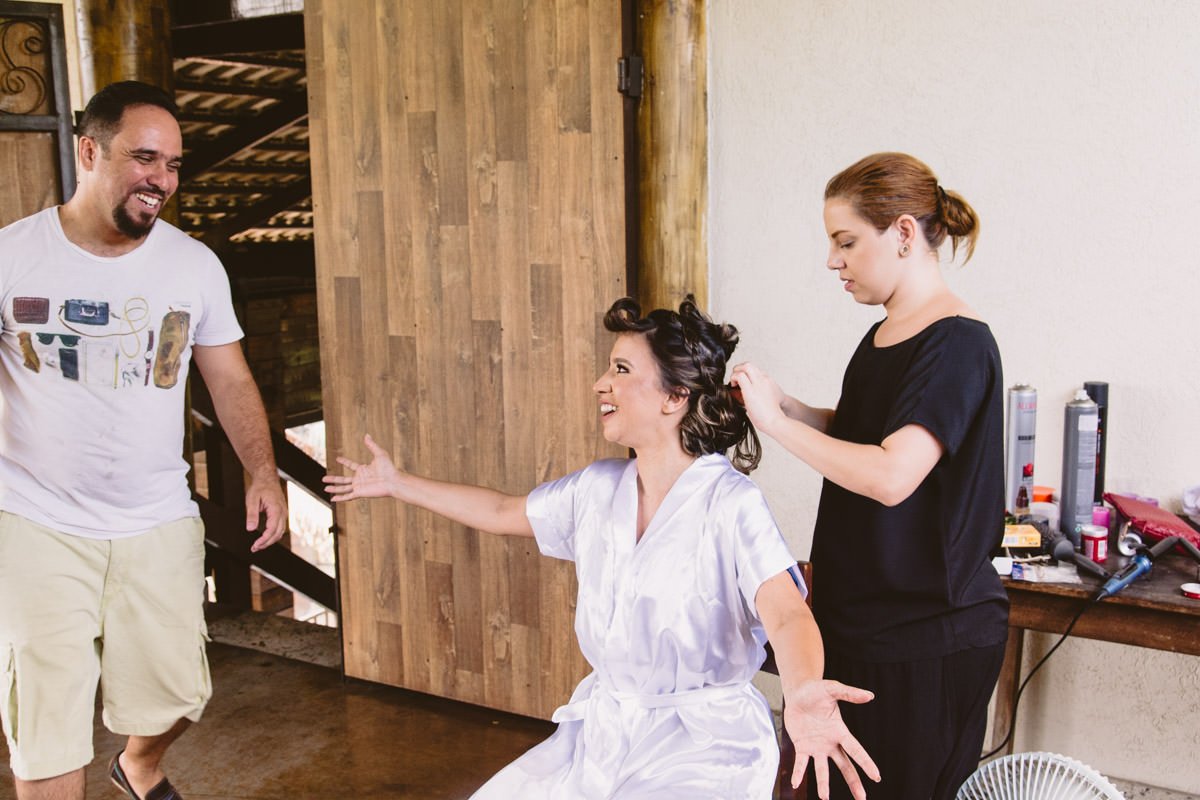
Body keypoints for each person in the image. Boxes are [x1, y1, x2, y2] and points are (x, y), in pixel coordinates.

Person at [325, 297, 880, 799]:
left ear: (675, 396)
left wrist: (804, 690)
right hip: (603, 731)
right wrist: (398, 483)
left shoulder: (730, 503)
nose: (599, 383)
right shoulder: (596, 489)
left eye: (620, 370)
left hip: (707, 746)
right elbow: (500, 511)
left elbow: (785, 613)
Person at [0, 81, 287, 800]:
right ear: (90, 150)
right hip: (35, 518)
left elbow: (228, 377)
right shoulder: (11, 257)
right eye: (145, 158)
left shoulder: (193, 265)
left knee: (179, 692)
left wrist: (262, 470)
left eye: (175, 165)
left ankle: (139, 765)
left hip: (155, 516)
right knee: (47, 724)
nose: (161, 180)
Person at [731, 152, 1009, 800]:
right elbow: (863, 433)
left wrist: (777, 426)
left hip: (926, 639)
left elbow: (891, 475)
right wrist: (787, 405)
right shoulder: (886, 334)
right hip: (859, 622)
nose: (834, 261)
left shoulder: (960, 342)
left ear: (905, 234)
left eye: (846, 241)